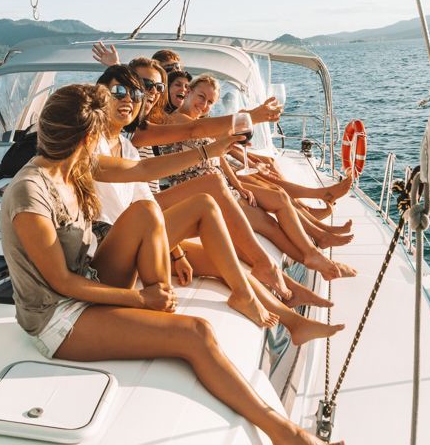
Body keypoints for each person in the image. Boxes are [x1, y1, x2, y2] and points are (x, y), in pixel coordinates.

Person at [0, 84, 340, 445]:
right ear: (87, 138)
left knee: (145, 210)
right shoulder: (29, 194)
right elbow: (62, 284)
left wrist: (212, 149)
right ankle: (287, 436)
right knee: (196, 334)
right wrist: (141, 302)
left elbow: (143, 167)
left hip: (91, 278)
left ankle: (160, 304)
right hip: (59, 317)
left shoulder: (75, 164)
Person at [93, 64, 343, 338]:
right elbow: (189, 135)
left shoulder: (126, 145)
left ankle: (293, 321)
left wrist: (176, 253)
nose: (142, 95)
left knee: (224, 261)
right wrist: (251, 117)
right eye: (125, 90)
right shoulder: (92, 143)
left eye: (151, 89)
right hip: (113, 246)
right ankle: (282, 260)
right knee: (210, 194)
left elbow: (145, 202)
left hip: (139, 233)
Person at [164, 74, 356, 281]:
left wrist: (239, 186)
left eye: (210, 102)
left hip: (220, 183)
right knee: (269, 226)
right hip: (198, 190)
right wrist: (251, 116)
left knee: (280, 198)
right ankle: (318, 260)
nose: (204, 105)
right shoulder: (176, 122)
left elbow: (219, 159)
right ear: (189, 91)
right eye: (201, 97)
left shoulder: (199, 122)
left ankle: (316, 248)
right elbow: (195, 133)